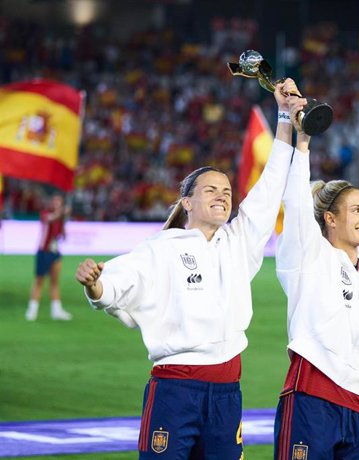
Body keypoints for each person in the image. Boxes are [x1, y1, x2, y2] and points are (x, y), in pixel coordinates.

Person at [74, 79, 303, 460]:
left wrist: (283, 116)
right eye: (211, 190)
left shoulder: (239, 242)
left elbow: (270, 185)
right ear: (187, 203)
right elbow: (114, 286)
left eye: (227, 191)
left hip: (228, 392)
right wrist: (96, 286)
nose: (223, 195)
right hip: (175, 390)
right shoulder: (159, 250)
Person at [273, 118, 359, 459]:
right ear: (330, 218)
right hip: (312, 398)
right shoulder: (309, 258)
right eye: (356, 210)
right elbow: (297, 206)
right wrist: (301, 145)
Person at [26, 193, 72, 321]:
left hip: (55, 251)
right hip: (44, 251)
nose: (56, 204)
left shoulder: (60, 218)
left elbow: (63, 236)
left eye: (59, 202)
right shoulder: (45, 214)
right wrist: (62, 212)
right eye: (55, 201)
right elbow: (51, 219)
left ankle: (56, 310)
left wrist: (64, 220)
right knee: (39, 281)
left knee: (55, 281)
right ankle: (32, 310)